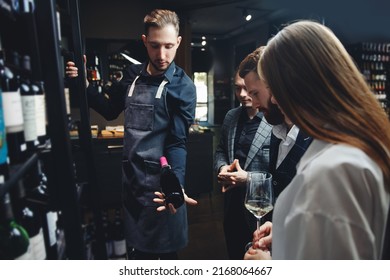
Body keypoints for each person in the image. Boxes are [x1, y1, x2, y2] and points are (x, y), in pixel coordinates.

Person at [246, 20, 390, 259]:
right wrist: (287, 231)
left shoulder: (331, 174)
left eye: (274, 86)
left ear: (296, 84)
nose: (273, 100)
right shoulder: (366, 145)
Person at [66, 9, 197, 260]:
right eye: (155, 46)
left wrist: (176, 184)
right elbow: (108, 110)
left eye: (169, 46)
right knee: (137, 257)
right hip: (133, 183)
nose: (162, 55)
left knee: (166, 257)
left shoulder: (183, 87)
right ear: (145, 41)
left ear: (178, 42)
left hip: (162, 186)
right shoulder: (131, 75)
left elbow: (177, 142)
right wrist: (84, 85)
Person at [214, 68, 272, 260]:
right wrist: (223, 168)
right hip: (232, 207)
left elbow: (280, 173)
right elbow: (221, 150)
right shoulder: (231, 116)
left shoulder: (274, 120)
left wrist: (247, 179)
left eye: (247, 89)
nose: (242, 95)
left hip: (261, 213)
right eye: (237, 89)